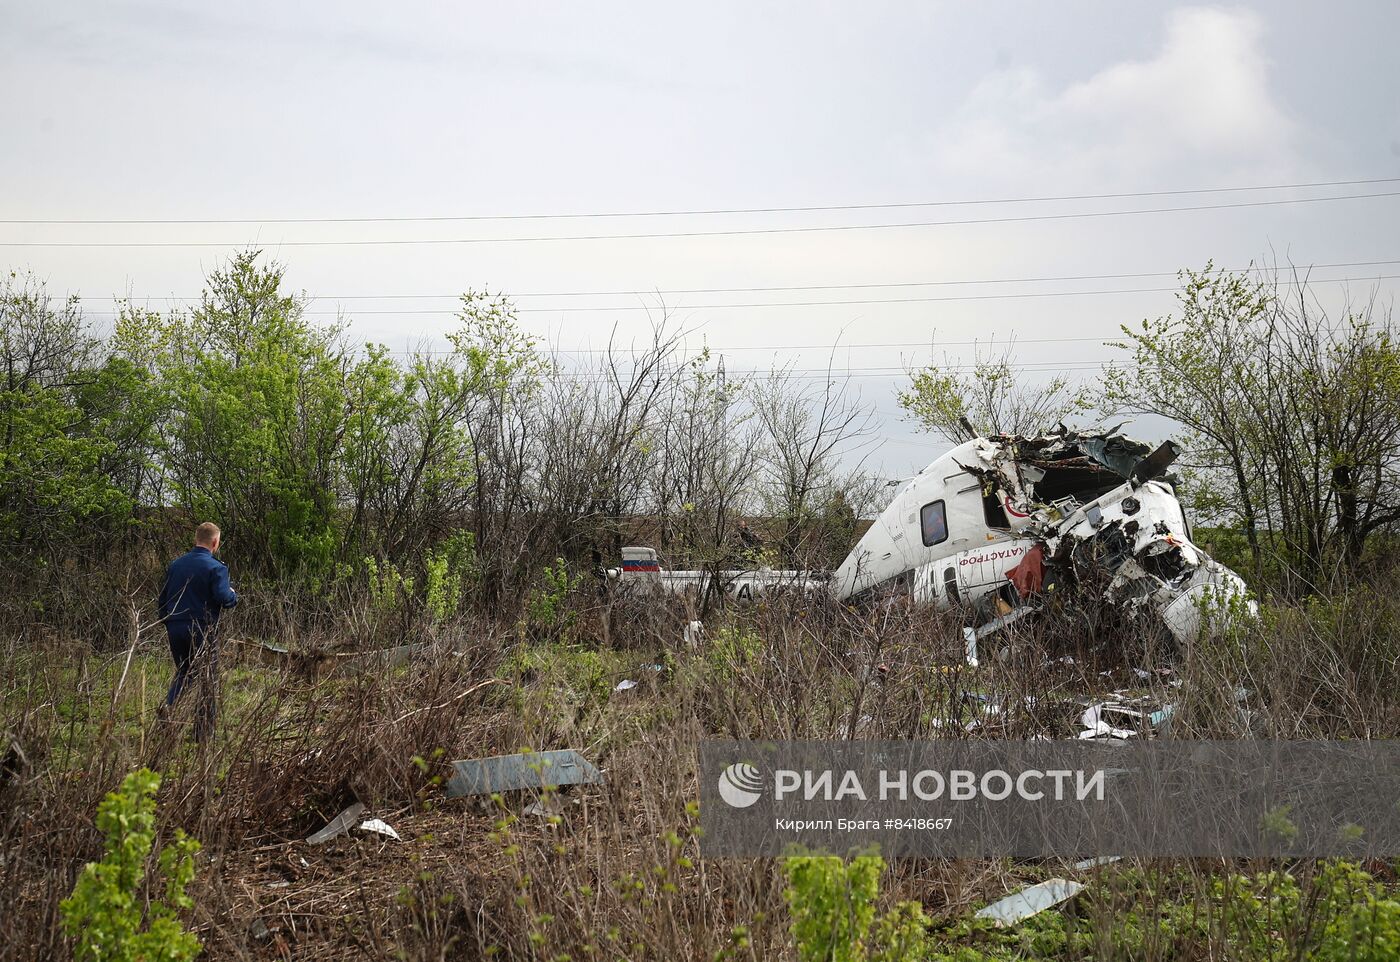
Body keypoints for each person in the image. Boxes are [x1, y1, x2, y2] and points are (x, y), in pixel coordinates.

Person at [157, 522, 238, 741]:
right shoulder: (216, 568)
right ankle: (202, 733)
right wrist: (233, 594)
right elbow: (224, 598)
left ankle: (169, 707)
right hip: (202, 628)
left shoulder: (176, 565)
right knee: (207, 678)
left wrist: (170, 621)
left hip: (175, 626)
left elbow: (162, 600)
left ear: (196, 539)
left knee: (184, 671)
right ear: (215, 542)